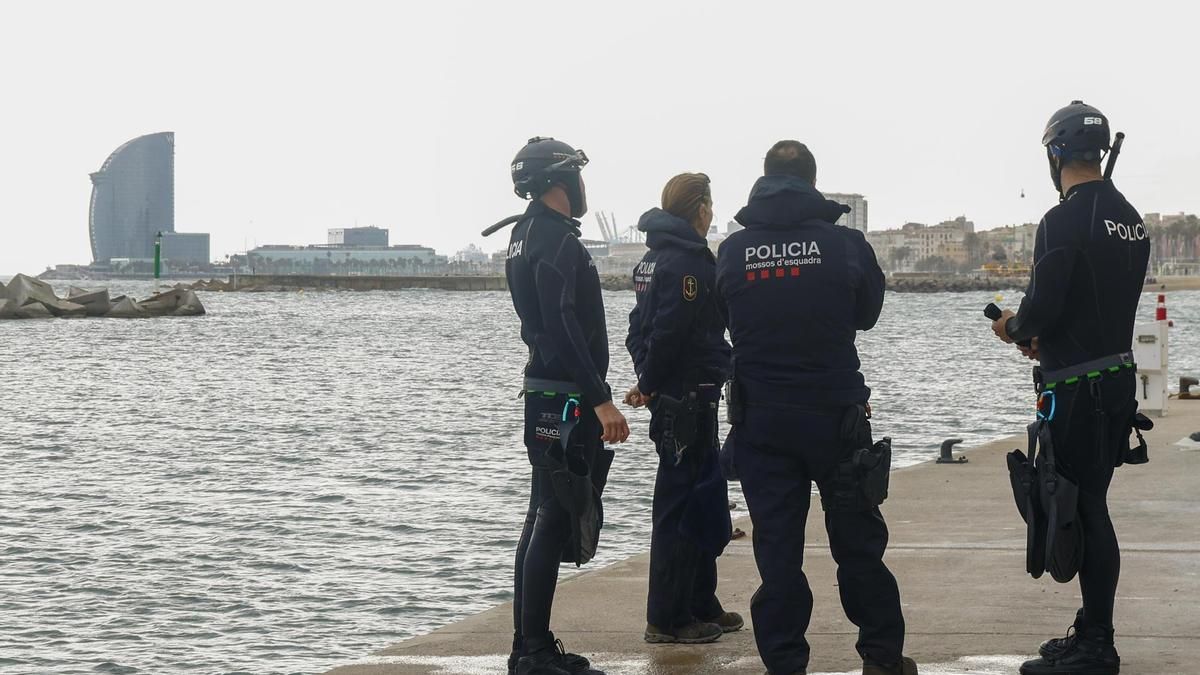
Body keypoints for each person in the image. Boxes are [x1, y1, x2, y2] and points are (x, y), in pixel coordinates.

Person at [716, 141, 916, 675]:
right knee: (857, 547)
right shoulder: (845, 244)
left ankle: (785, 665)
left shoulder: (733, 252)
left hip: (762, 424)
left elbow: (718, 324)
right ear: (812, 179)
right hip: (836, 418)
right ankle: (882, 658)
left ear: (764, 179)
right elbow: (867, 314)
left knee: (777, 556)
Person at [991, 101, 1150, 675]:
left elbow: (1042, 308)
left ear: (1055, 153)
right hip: (1116, 380)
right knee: (1091, 504)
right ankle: (1091, 629)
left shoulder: (1061, 220)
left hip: (1078, 390)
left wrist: (1014, 328)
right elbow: (1093, 305)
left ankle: (1097, 646)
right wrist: (1048, 339)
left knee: (1083, 509)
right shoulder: (1130, 216)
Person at [504, 136, 630, 675]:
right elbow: (563, 325)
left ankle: (528, 644)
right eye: (579, 175)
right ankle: (532, 651)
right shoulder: (557, 240)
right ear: (561, 180)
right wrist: (600, 400)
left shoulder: (521, 233)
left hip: (543, 390)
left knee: (541, 512)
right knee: (553, 513)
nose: (584, 187)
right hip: (564, 394)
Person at [624, 173, 742, 645]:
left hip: (680, 394)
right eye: (710, 206)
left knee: (703, 498)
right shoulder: (690, 264)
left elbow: (639, 330)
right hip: (689, 398)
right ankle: (668, 617)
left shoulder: (651, 261)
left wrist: (648, 382)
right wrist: (653, 383)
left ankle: (699, 601)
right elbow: (672, 333)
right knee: (679, 507)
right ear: (701, 209)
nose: (712, 214)